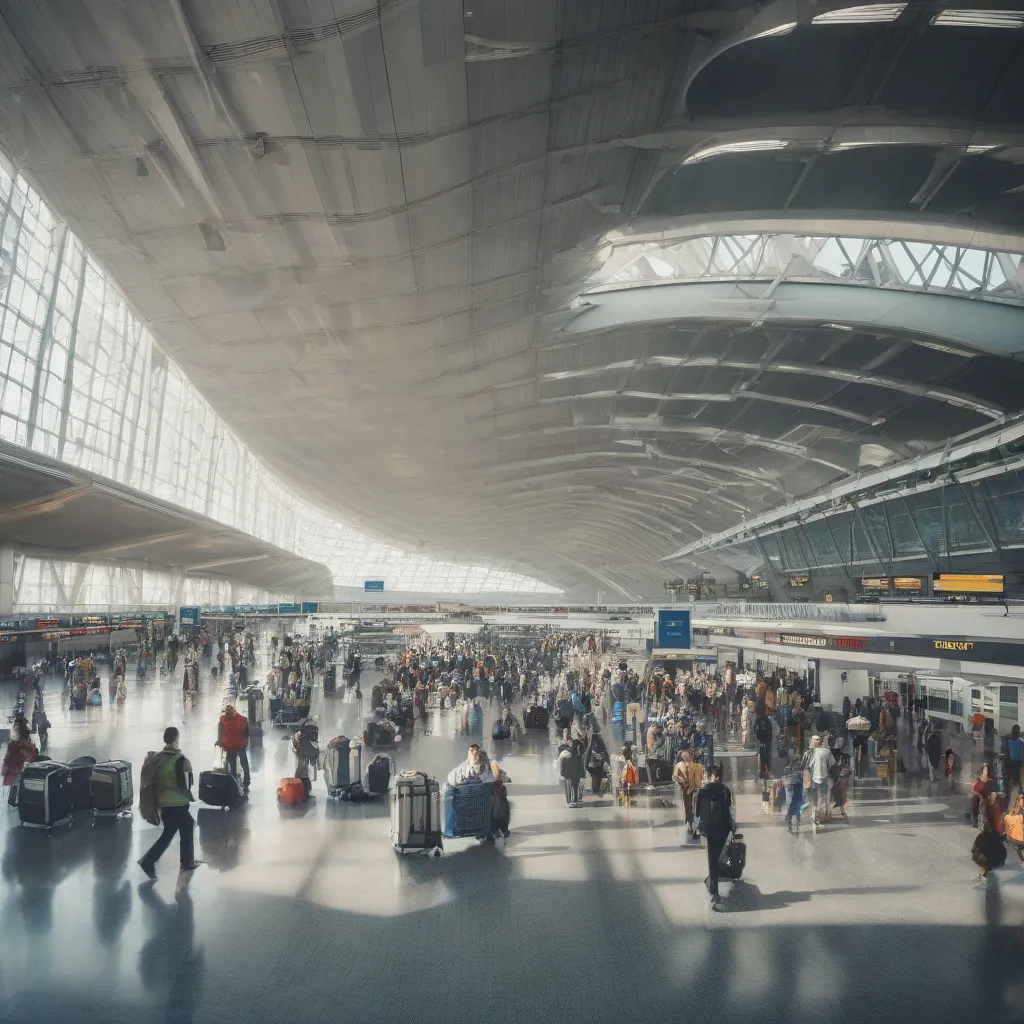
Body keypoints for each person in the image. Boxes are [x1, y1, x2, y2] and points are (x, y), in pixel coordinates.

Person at [138, 727, 200, 879]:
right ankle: (149, 861)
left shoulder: (157, 758)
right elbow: (186, 785)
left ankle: (187, 861)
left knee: (183, 826)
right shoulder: (180, 760)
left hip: (162, 802)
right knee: (173, 832)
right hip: (177, 803)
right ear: (176, 739)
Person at [694, 763, 734, 911]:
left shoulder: (703, 791)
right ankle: (716, 880)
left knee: (712, 858)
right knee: (719, 856)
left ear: (711, 776)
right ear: (720, 776)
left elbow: (697, 812)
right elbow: (728, 808)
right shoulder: (725, 790)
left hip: (709, 829)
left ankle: (714, 890)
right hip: (722, 829)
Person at [216, 703, 251, 793]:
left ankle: (234, 783)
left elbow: (220, 731)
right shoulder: (240, 718)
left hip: (230, 745)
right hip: (240, 743)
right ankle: (246, 782)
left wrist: (220, 741)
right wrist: (246, 740)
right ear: (233, 711)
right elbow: (246, 730)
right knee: (244, 763)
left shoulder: (223, 720)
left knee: (233, 765)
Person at [2, 718, 38, 798]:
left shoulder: (14, 745)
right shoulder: (19, 747)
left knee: (14, 787)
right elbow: (31, 757)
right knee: (16, 787)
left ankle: (13, 801)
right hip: (16, 770)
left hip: (15, 770)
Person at [673, 748, 703, 839]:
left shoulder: (698, 766)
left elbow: (701, 777)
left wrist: (697, 786)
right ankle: (689, 823)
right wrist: (680, 780)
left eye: (686, 755)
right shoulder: (678, 765)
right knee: (687, 807)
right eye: (683, 756)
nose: (685, 757)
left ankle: (697, 826)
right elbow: (674, 776)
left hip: (695, 789)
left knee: (696, 807)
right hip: (684, 789)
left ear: (691, 756)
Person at [805, 735, 835, 826]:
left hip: (815, 779)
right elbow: (832, 764)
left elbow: (806, 766)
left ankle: (816, 817)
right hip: (821, 778)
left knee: (815, 798)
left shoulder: (810, 752)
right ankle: (819, 817)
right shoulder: (825, 751)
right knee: (821, 798)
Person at [558, 736, 585, 806]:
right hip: (573, 771)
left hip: (571, 771)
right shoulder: (577, 752)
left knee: (573, 785)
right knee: (574, 786)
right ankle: (574, 799)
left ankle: (573, 800)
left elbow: (560, 759)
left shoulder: (572, 751)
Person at [1006, 725, 1023, 803]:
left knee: (1012, 778)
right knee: (1016, 778)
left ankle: (1011, 794)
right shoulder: (1020, 742)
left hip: (1013, 762)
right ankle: (1019, 793)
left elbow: (1008, 752)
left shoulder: (1010, 741)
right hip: (1016, 762)